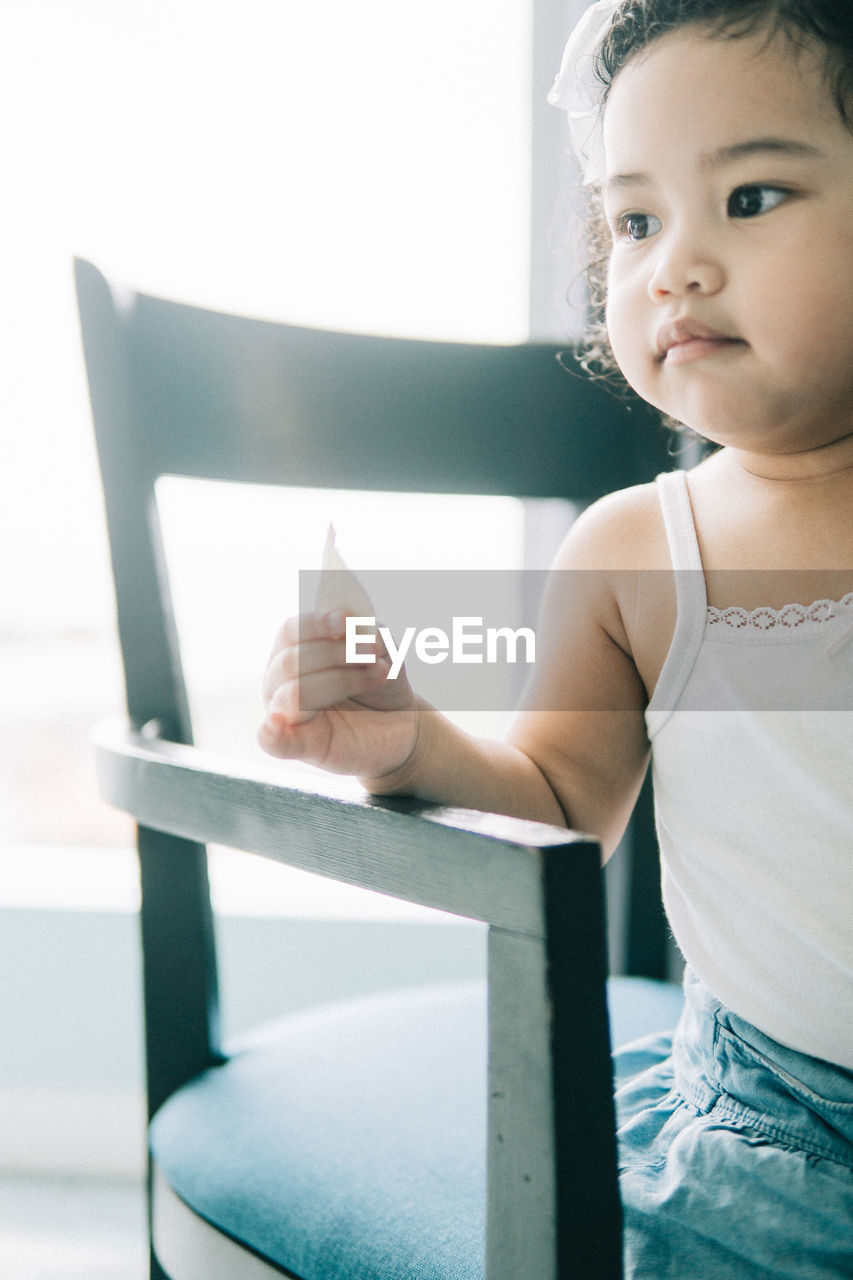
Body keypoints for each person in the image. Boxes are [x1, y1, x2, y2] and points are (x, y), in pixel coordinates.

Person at [260, 1, 853, 1274]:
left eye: (749, 198)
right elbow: (556, 799)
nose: (673, 266)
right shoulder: (639, 554)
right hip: (769, 1137)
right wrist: (408, 742)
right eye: (635, 220)